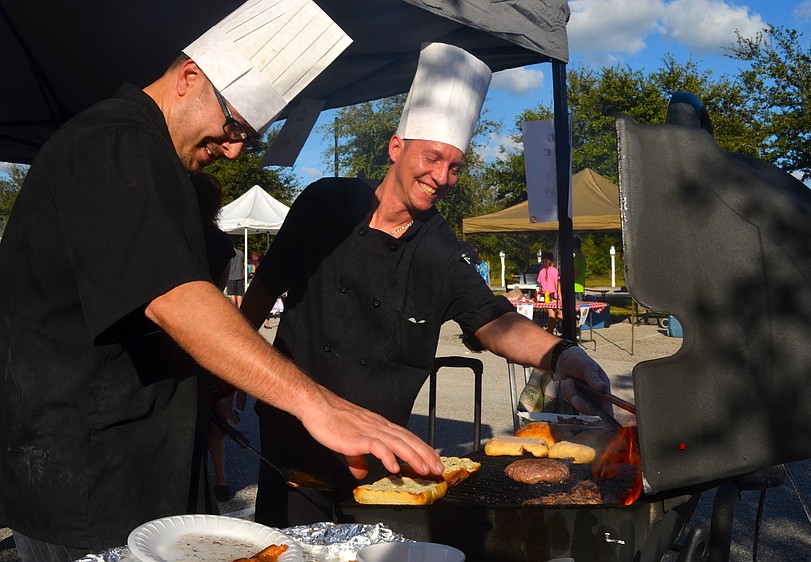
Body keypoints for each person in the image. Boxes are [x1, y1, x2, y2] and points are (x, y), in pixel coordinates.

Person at [0, 3, 443, 559]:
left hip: (137, 467)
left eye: (249, 138)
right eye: (233, 126)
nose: (234, 149)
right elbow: (173, 298)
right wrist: (317, 404)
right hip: (81, 477)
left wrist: (205, 384)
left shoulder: (159, 159)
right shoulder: (112, 140)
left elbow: (135, 313)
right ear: (189, 77)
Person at [240, 42, 611, 528]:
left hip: (378, 457)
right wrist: (232, 373)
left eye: (455, 166)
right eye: (433, 157)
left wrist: (564, 355)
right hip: (294, 442)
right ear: (397, 147)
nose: (442, 177)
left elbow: (494, 320)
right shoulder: (325, 204)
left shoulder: (440, 247)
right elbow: (265, 286)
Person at [190, 173, 239, 503]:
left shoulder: (176, 235)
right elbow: (218, 292)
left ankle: (194, 485)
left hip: (171, 338)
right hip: (207, 332)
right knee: (218, 410)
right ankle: (220, 480)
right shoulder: (223, 244)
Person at [537, 251, 562, 334]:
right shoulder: (554, 271)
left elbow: (540, 284)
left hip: (545, 296)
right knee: (560, 314)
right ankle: (549, 331)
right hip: (553, 295)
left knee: (551, 315)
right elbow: (557, 285)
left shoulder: (541, 271)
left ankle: (549, 331)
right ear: (553, 261)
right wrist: (560, 297)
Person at [574, 237, 587, 301]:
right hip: (580, 286)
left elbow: (576, 274)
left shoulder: (577, 259)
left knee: (576, 307)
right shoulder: (582, 257)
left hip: (576, 287)